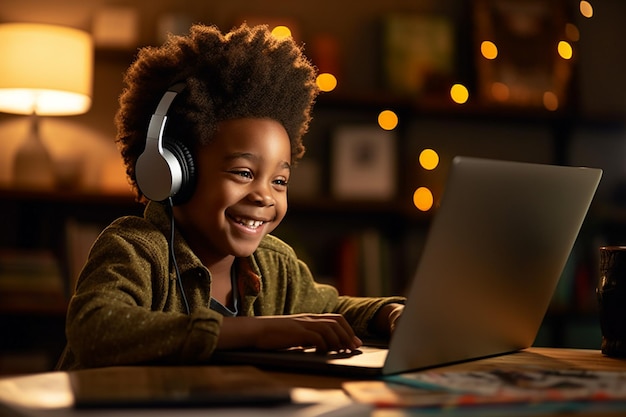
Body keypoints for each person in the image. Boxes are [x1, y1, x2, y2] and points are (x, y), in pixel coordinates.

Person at [57, 23, 405, 370]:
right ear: (174, 171)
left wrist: (390, 315)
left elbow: (330, 310)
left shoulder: (274, 264)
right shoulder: (136, 250)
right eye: (244, 173)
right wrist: (250, 332)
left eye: (280, 180)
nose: (264, 196)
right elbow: (96, 329)